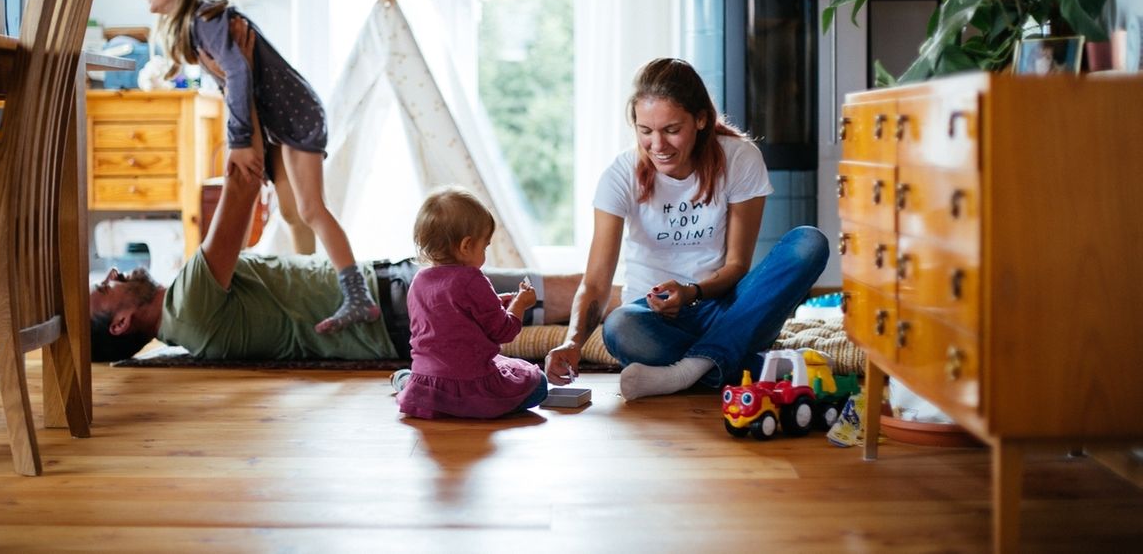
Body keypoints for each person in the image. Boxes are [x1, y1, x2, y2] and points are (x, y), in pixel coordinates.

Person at [89, 167, 596, 364]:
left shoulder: (192, 334)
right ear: (121, 322)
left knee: (559, 304)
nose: (112, 274)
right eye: (103, 289)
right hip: (397, 302)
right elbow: (242, 181)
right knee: (570, 290)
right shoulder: (188, 302)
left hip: (395, 313)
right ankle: (647, 307)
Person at [543, 58, 829, 401]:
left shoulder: (739, 159)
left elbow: (737, 266)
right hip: (653, 318)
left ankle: (687, 371)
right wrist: (573, 341)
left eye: (671, 129)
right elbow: (596, 282)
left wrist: (692, 292)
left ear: (701, 119)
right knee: (619, 326)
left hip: (724, 306)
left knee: (809, 243)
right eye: (645, 131)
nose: (657, 145)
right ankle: (734, 363)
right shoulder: (620, 175)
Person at [136, 0, 378, 333]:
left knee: (310, 208)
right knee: (290, 212)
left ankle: (357, 297)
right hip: (281, 121)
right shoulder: (199, 24)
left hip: (296, 116)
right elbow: (231, 78)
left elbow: (237, 73)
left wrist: (240, 141)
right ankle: (312, 284)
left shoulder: (209, 18)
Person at [394, 187, 548, 419]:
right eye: (485, 246)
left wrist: (494, 302)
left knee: (422, 383)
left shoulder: (419, 280)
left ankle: (406, 382)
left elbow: (448, 316)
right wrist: (520, 304)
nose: (486, 252)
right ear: (466, 246)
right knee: (539, 384)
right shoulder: (472, 279)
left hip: (429, 380)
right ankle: (464, 405)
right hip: (471, 388)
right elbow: (503, 331)